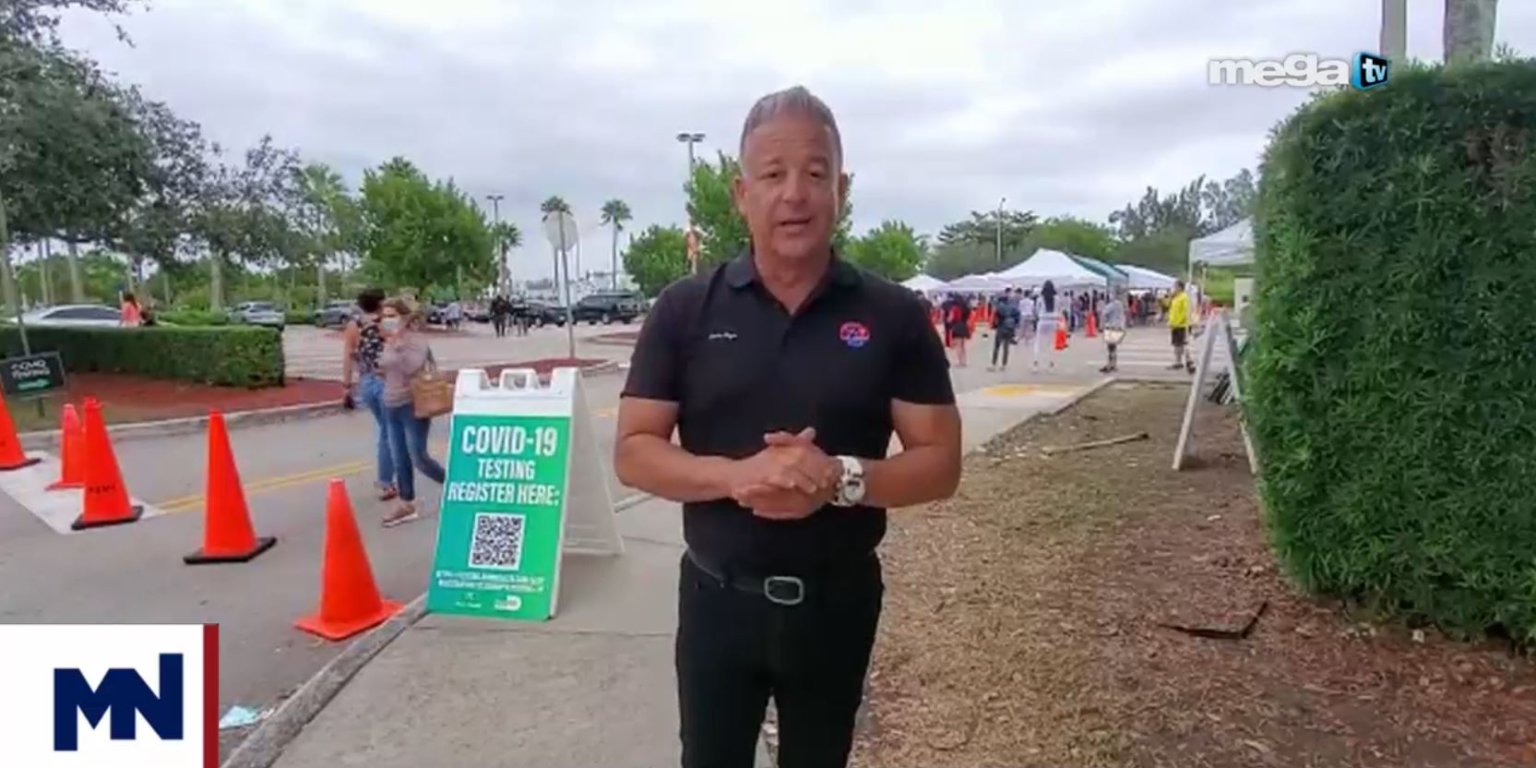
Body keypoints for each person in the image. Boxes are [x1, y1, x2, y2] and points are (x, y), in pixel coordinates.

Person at [614, 86, 962, 768]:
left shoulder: (892, 314)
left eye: (815, 172)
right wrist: (738, 477)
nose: (795, 194)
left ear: (841, 189)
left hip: (838, 603)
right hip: (717, 599)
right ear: (741, 194)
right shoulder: (685, 310)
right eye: (773, 174)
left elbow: (941, 463)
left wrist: (839, 479)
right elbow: (633, 450)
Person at [377, 297, 446, 526]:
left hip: (412, 404)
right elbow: (384, 366)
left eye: (392, 315)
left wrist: (397, 344)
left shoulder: (415, 340)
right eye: (384, 316)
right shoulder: (389, 340)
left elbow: (411, 366)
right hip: (391, 403)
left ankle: (453, 485)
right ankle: (407, 503)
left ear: (404, 317)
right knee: (399, 457)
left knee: (418, 456)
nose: (387, 320)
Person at [342, 289, 396, 501]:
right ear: (381, 303)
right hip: (387, 381)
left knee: (385, 429)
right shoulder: (386, 324)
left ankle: (388, 479)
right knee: (390, 432)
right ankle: (386, 481)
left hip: (366, 382)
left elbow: (348, 357)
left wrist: (346, 386)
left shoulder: (353, 325)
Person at [988, 287, 1021, 372]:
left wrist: (994, 325)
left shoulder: (999, 307)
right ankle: (1004, 365)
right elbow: (1017, 316)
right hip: (1010, 328)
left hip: (1001, 327)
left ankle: (993, 364)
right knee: (1006, 347)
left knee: (997, 346)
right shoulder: (1013, 307)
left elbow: (995, 317)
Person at [1032, 279, 1060, 371]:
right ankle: (1051, 364)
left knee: (1038, 343)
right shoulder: (1057, 298)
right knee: (1051, 343)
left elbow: (1036, 310)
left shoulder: (1040, 299)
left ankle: (1036, 363)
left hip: (1043, 320)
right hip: (1054, 321)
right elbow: (1059, 309)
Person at [1168, 280, 1194, 373]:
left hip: (1182, 325)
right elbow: (1172, 310)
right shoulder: (1176, 297)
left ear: (1179, 287)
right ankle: (1178, 361)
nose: (1173, 288)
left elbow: (1185, 312)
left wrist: (1177, 322)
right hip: (1175, 324)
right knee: (1176, 344)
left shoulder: (1184, 297)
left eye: (1175, 286)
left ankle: (1189, 360)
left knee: (1182, 343)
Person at [1099, 289, 1127, 373]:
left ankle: (1110, 365)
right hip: (1120, 327)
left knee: (1110, 347)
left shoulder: (1113, 304)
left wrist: (1101, 325)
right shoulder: (1121, 305)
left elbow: (1103, 313)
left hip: (1112, 327)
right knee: (1114, 347)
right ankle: (1114, 365)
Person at [943, 292, 970, 367]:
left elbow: (950, 319)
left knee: (958, 345)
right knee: (962, 345)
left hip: (957, 326)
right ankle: (964, 361)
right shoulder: (965, 308)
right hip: (964, 325)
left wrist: (947, 320)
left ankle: (960, 362)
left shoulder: (955, 308)